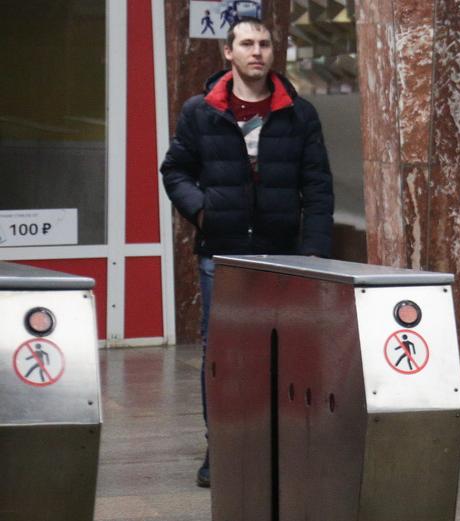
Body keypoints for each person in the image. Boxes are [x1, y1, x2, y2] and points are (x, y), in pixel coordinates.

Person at [159, 16, 334, 488]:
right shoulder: (201, 110)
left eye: (264, 44)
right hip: (224, 254)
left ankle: (279, 445)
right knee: (223, 353)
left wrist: (314, 250)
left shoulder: (299, 113)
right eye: (247, 44)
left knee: (285, 353)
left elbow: (317, 186)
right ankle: (223, 447)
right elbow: (174, 170)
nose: (257, 52)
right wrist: (203, 213)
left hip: (285, 255)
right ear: (228, 53)